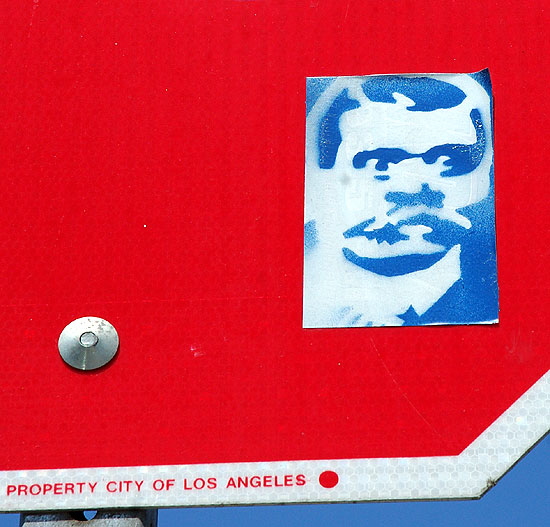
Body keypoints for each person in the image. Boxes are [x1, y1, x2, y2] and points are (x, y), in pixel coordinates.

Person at [303, 72, 498, 328]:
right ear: (321, 177)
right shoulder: (293, 295)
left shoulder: (491, 294)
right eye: (381, 163)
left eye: (447, 161)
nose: (416, 185)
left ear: (486, 173)